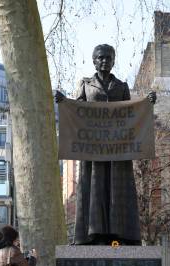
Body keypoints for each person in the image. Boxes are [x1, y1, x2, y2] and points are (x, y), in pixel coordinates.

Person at [55, 44, 156, 246]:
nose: (105, 61)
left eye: (109, 58)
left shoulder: (121, 86)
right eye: (101, 57)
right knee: (94, 189)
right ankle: (92, 235)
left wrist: (147, 102)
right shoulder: (85, 85)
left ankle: (119, 234)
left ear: (113, 61)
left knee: (118, 190)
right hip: (93, 151)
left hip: (118, 152)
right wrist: (64, 101)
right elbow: (77, 111)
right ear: (94, 60)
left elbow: (131, 114)